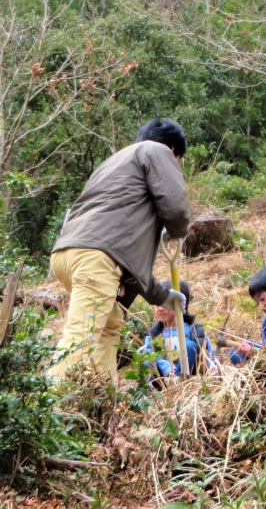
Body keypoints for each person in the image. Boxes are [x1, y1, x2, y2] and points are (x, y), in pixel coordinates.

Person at [48, 119, 190, 381]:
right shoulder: (157, 151)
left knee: (107, 331)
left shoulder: (115, 164)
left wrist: (160, 295)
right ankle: (46, 416)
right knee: (80, 339)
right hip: (96, 257)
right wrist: (178, 230)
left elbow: (128, 258)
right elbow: (176, 207)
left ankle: (100, 405)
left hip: (68, 254)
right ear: (173, 151)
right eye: (178, 161)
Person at [139, 280, 216, 381]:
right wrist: (166, 367)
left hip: (189, 378)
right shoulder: (155, 334)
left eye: (166, 304)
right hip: (164, 379)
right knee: (146, 361)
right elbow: (153, 354)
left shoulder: (193, 330)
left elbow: (208, 352)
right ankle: (143, 395)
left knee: (189, 346)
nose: (161, 308)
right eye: (157, 305)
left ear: (181, 304)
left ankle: (180, 381)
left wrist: (212, 372)